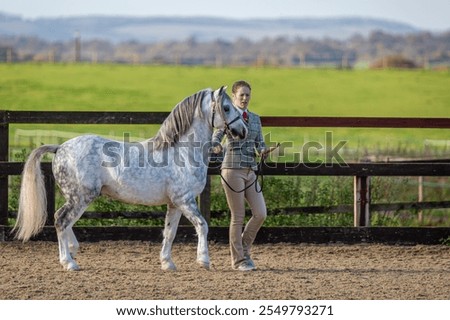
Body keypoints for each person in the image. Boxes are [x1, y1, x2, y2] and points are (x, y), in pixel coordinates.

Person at [211, 80, 267, 271]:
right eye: (241, 95)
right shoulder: (228, 116)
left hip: (251, 170)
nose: (244, 98)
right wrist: (216, 146)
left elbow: (260, 143)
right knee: (238, 215)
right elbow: (216, 137)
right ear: (234, 97)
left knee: (260, 213)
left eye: (247, 95)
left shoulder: (255, 119)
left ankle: (242, 249)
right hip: (232, 169)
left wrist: (263, 151)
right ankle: (239, 260)